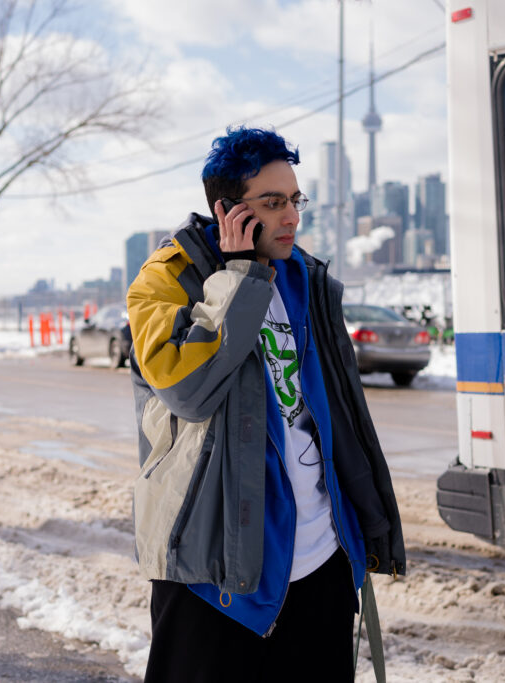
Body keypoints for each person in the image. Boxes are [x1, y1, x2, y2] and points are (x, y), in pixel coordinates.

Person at [126, 126, 406, 682]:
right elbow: (189, 390)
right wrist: (239, 279)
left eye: (295, 200)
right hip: (216, 570)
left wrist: (362, 524)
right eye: (273, 202)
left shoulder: (305, 278)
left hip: (321, 560)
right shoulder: (166, 281)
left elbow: (335, 413)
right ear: (228, 210)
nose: (291, 217)